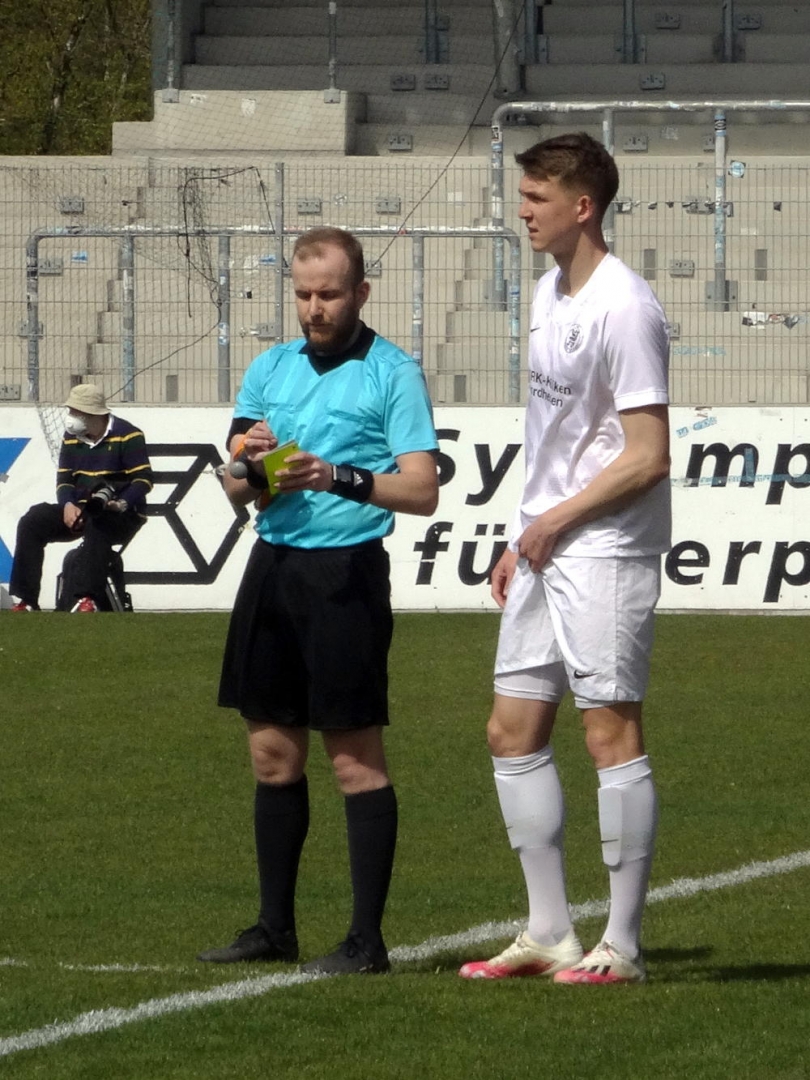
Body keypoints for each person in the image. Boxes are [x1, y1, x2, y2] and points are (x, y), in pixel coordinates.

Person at [458, 133, 671, 985]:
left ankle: (623, 946)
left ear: (582, 206)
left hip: (607, 546)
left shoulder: (626, 305)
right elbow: (555, 438)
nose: (522, 211)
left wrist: (556, 524)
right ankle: (550, 931)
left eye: (536, 197)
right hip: (546, 544)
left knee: (608, 732)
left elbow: (648, 455)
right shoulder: (549, 291)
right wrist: (525, 536)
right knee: (510, 730)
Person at [199, 227, 439, 975]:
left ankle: (366, 942)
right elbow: (236, 486)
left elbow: (422, 489)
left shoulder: (392, 372)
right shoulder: (270, 367)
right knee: (272, 755)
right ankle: (275, 928)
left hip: (346, 576)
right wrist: (249, 462)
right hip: (273, 567)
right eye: (303, 294)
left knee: (353, 760)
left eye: (329, 294)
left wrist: (335, 476)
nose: (314, 308)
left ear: (360, 292)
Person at [9, 384, 152, 613]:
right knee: (33, 520)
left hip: (121, 514)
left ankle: (88, 598)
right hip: (80, 509)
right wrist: (67, 504)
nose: (71, 417)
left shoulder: (129, 434)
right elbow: (65, 479)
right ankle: (26, 600)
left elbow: (143, 480)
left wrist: (120, 503)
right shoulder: (71, 437)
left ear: (93, 414)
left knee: (99, 520)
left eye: (76, 412)